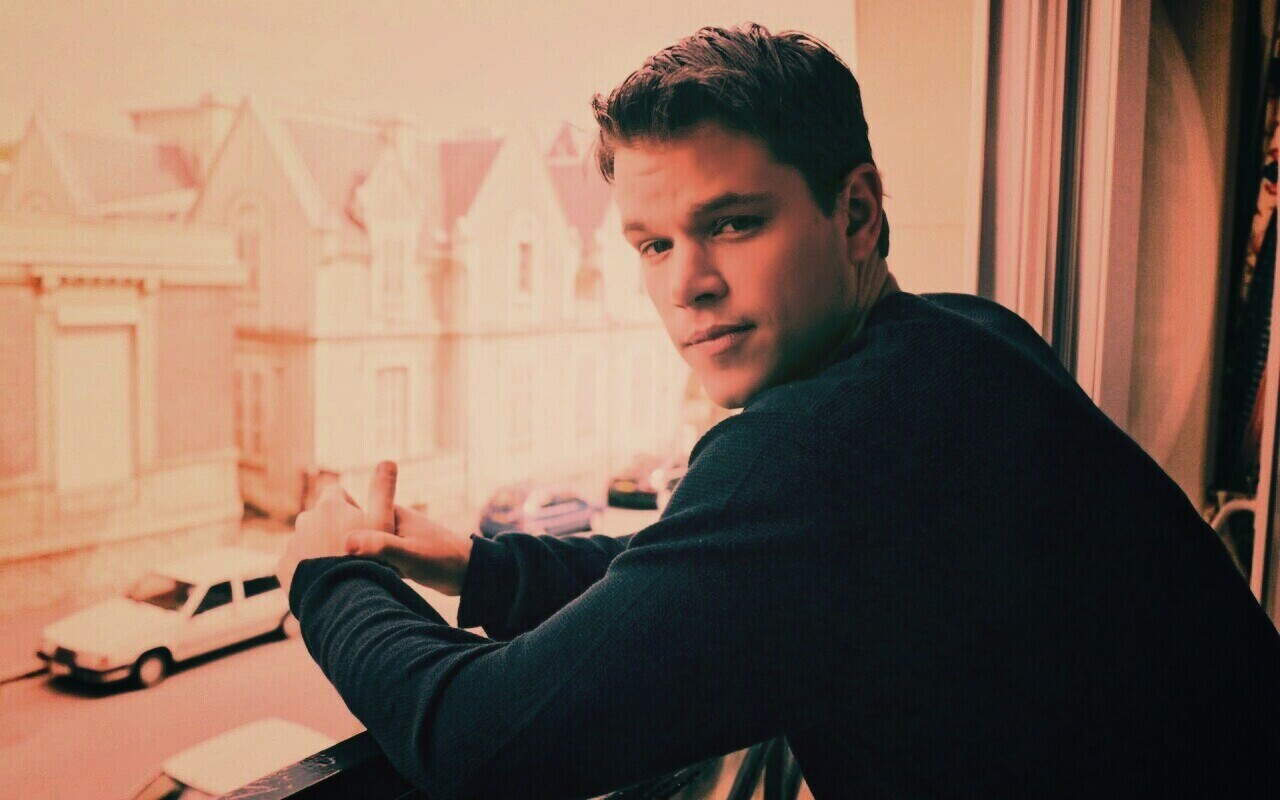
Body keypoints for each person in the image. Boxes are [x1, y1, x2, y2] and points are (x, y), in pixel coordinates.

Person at [276, 23, 1280, 798]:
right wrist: (479, 564)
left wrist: (326, 576)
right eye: (652, 244)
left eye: (731, 223)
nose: (686, 284)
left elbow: (476, 740)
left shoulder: (819, 452)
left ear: (857, 213)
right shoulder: (965, 336)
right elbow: (705, 573)